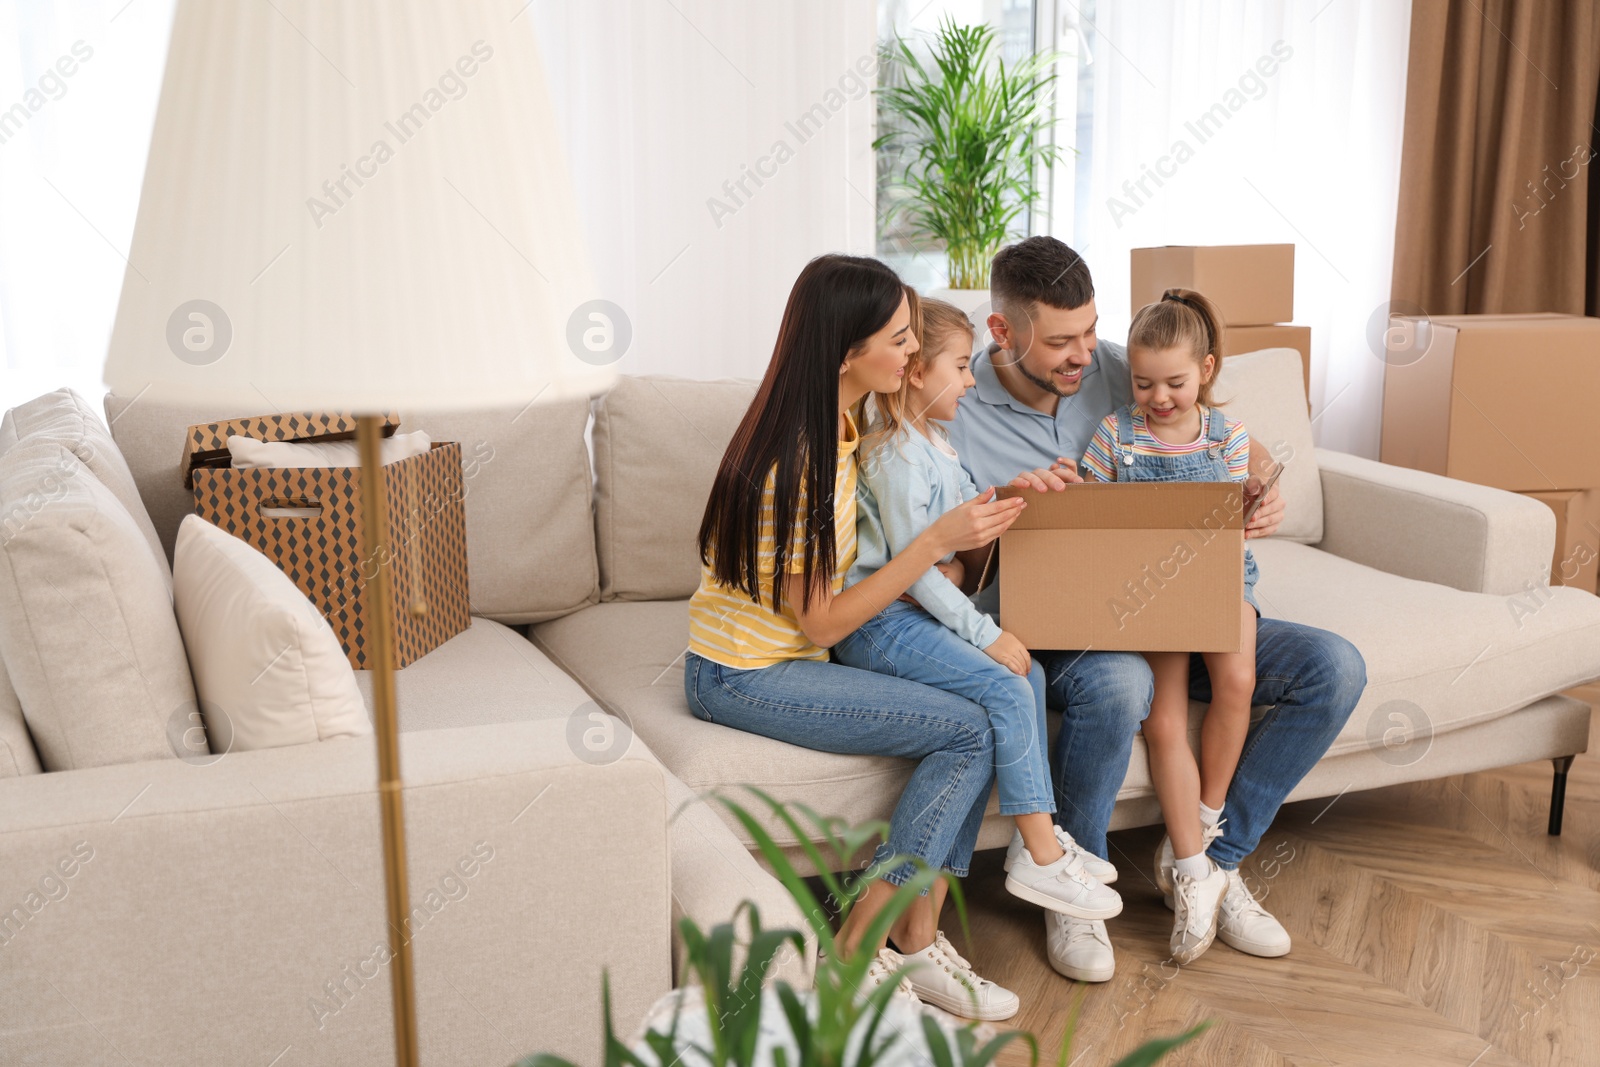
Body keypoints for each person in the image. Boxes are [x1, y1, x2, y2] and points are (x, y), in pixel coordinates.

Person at [944, 236, 1368, 983]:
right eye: (1062, 341)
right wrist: (1014, 506)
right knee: (1121, 684)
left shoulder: (1126, 367)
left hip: (1184, 600)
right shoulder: (955, 408)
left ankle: (1208, 864)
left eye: (1089, 329)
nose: (1085, 355)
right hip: (1061, 621)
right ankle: (1075, 893)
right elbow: (954, 568)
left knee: (1333, 668)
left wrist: (1265, 489)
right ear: (1002, 332)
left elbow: (1231, 440)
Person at [682, 253, 1031, 1020]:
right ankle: (857, 952)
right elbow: (826, 619)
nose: (912, 356)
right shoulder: (798, 457)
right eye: (901, 340)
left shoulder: (840, 419)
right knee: (971, 732)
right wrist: (933, 541)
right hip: (743, 673)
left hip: (789, 654)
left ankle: (915, 939)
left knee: (984, 707)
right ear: (848, 350)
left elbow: (923, 461)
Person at [833, 293, 1123, 954]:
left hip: (908, 620)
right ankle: (1040, 849)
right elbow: (922, 572)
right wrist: (986, 634)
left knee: (1029, 676)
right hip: (882, 624)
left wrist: (1023, 491)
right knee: (1009, 681)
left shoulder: (931, 443)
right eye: (960, 366)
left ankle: (921, 924)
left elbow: (970, 529)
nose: (971, 379)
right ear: (913, 374)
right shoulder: (896, 456)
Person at [1078, 287, 1260, 964]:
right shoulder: (1114, 434)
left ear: (1206, 370)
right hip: (1150, 592)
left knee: (1238, 675)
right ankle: (1192, 866)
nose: (1159, 398)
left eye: (1175, 383)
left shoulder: (1229, 436)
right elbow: (1090, 518)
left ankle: (1206, 823)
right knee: (1162, 714)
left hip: (1218, 578)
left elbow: (1236, 525)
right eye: (1144, 382)